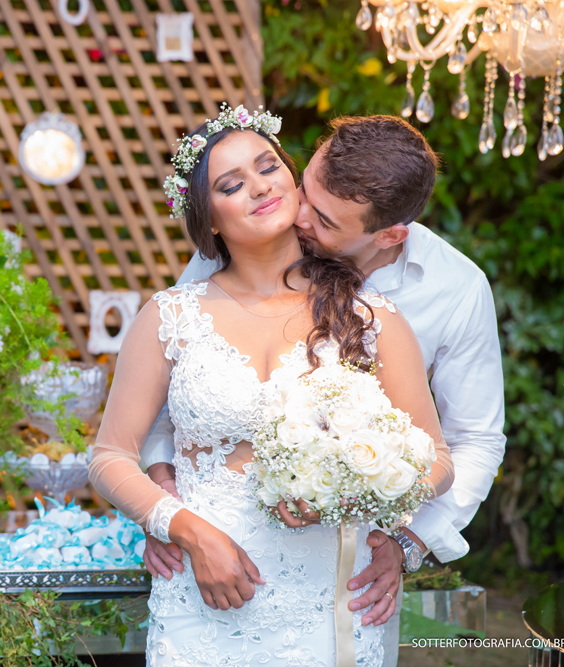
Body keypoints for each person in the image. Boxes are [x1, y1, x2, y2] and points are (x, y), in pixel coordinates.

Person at [88, 105, 455, 666]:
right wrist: (184, 529)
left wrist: (353, 490)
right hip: (201, 595)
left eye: (268, 167)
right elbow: (111, 456)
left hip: (334, 598)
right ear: (209, 217)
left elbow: (438, 461)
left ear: (293, 178)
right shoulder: (169, 315)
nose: (259, 187)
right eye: (232, 184)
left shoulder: (372, 319)